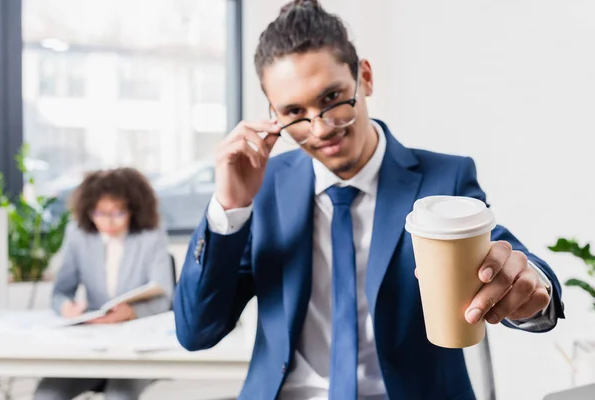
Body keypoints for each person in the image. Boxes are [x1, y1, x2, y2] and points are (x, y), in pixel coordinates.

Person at [174, 1, 565, 399]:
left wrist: (531, 285)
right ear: (273, 114)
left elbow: (508, 259)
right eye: (295, 111)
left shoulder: (443, 178)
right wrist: (229, 208)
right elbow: (197, 331)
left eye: (332, 98)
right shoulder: (265, 187)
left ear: (365, 77)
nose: (320, 127)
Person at [34, 168, 175, 400]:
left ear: (133, 209)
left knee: (119, 395)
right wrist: (66, 308)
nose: (107, 221)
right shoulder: (78, 234)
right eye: (99, 213)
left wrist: (131, 312)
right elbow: (60, 292)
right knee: (47, 394)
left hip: (135, 345)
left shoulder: (151, 234)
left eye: (117, 213)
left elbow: (164, 297)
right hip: (92, 343)